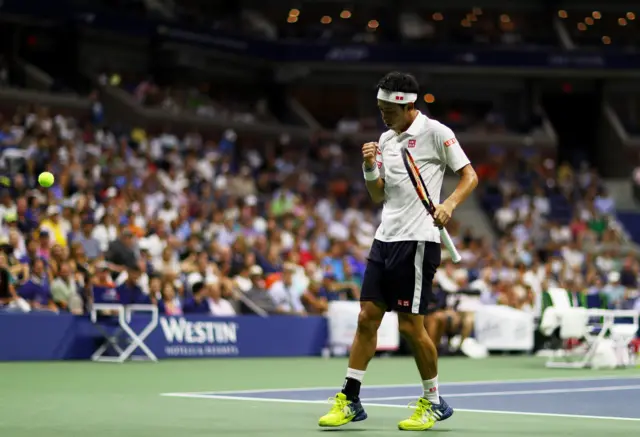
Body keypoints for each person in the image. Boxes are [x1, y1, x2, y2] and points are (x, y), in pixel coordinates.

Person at [318, 72, 478, 431]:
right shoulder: (385, 140)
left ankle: (434, 401)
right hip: (385, 239)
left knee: (411, 326)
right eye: (379, 108)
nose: (382, 115)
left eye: (387, 108)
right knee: (366, 319)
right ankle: (351, 398)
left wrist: (449, 204)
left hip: (419, 241)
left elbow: (470, 176)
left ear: (406, 105)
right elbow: (379, 195)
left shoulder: (437, 133)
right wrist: (369, 167)